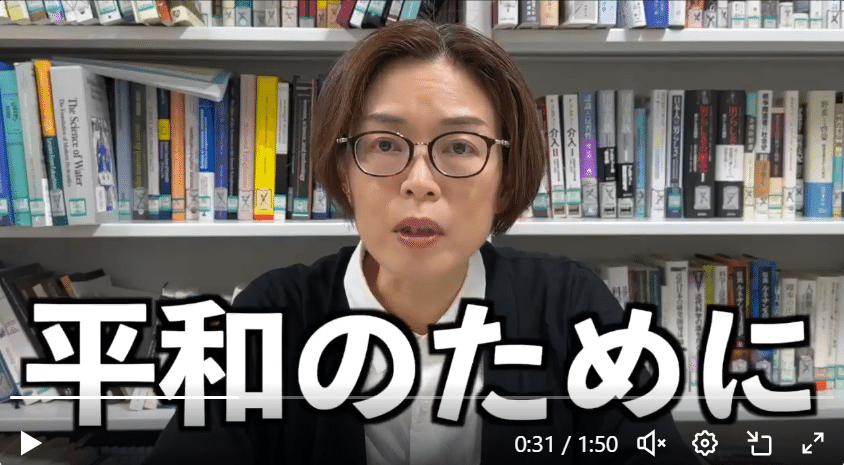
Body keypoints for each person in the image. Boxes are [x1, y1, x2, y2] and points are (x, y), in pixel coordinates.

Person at [142, 19, 700, 465]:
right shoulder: (272, 315)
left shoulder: (571, 305)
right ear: (345, 172)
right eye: (385, 143)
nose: (419, 181)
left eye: (459, 146)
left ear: (506, 177)